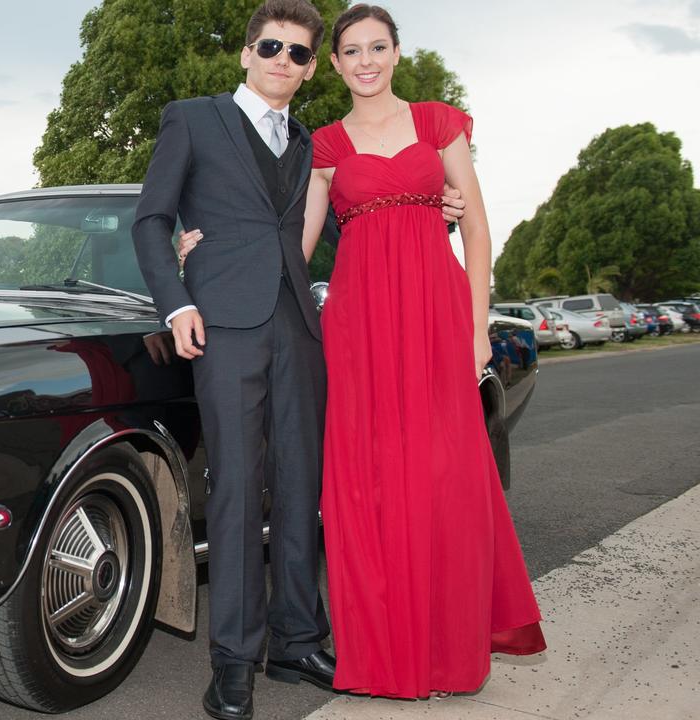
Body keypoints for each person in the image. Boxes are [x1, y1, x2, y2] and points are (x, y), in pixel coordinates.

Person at [178, 2, 546, 702]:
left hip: (436, 318)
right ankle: (383, 650)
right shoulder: (325, 147)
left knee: (446, 476)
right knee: (367, 487)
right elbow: (292, 244)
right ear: (335, 64)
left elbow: (479, 234)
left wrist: (475, 333)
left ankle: (445, 645)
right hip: (357, 330)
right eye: (352, 51)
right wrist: (202, 249)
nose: (366, 61)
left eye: (378, 47)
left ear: (397, 53)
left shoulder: (440, 123)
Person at [133, 2, 465, 718]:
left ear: (314, 68)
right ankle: (233, 661)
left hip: (300, 328)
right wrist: (175, 298)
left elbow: (355, 207)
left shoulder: (312, 143)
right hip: (220, 326)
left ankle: (297, 638)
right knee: (236, 486)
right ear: (247, 53)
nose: (285, 60)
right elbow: (152, 217)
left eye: (300, 54)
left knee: (299, 486)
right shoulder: (192, 117)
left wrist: (432, 210)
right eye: (273, 47)